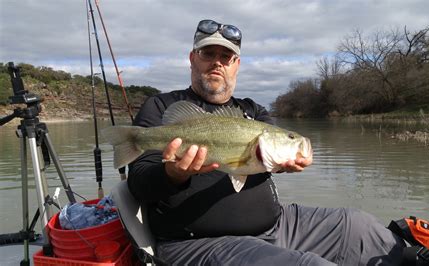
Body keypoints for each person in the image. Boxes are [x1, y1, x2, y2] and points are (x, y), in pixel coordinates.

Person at [127, 19, 406, 265]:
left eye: (226, 56)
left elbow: (272, 154)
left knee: (361, 227)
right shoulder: (162, 106)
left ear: (236, 64)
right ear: (192, 58)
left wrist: (287, 161)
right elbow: (138, 182)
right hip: (198, 243)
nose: (217, 62)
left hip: (279, 226)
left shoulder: (254, 112)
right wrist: (172, 173)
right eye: (208, 53)